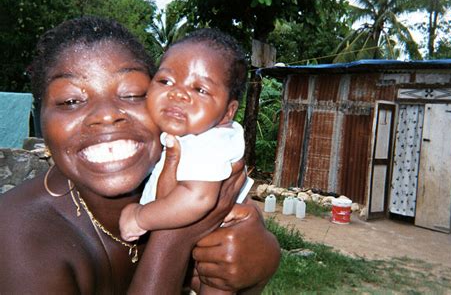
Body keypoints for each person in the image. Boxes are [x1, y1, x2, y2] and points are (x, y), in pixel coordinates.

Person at [0, 16, 280, 294]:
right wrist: (175, 235)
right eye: (71, 101)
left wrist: (259, 267)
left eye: (133, 94)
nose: (107, 115)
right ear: (41, 120)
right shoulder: (15, 234)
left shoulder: (182, 174)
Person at [119, 29, 252, 239]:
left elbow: (198, 198)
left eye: (200, 89)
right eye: (165, 81)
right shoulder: (193, 135)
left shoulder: (210, 143)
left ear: (228, 112)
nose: (178, 93)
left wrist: (140, 217)